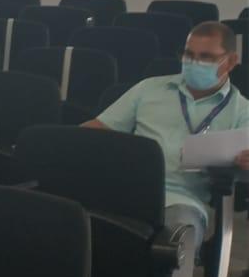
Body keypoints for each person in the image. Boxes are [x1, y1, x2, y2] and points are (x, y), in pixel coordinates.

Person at [86, 20, 249, 257]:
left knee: (172, 244)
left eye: (206, 57)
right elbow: (96, 129)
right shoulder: (148, 89)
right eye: (188, 54)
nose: (193, 63)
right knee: (71, 223)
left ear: (231, 61)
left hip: (182, 200)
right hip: (124, 187)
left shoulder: (243, 112)